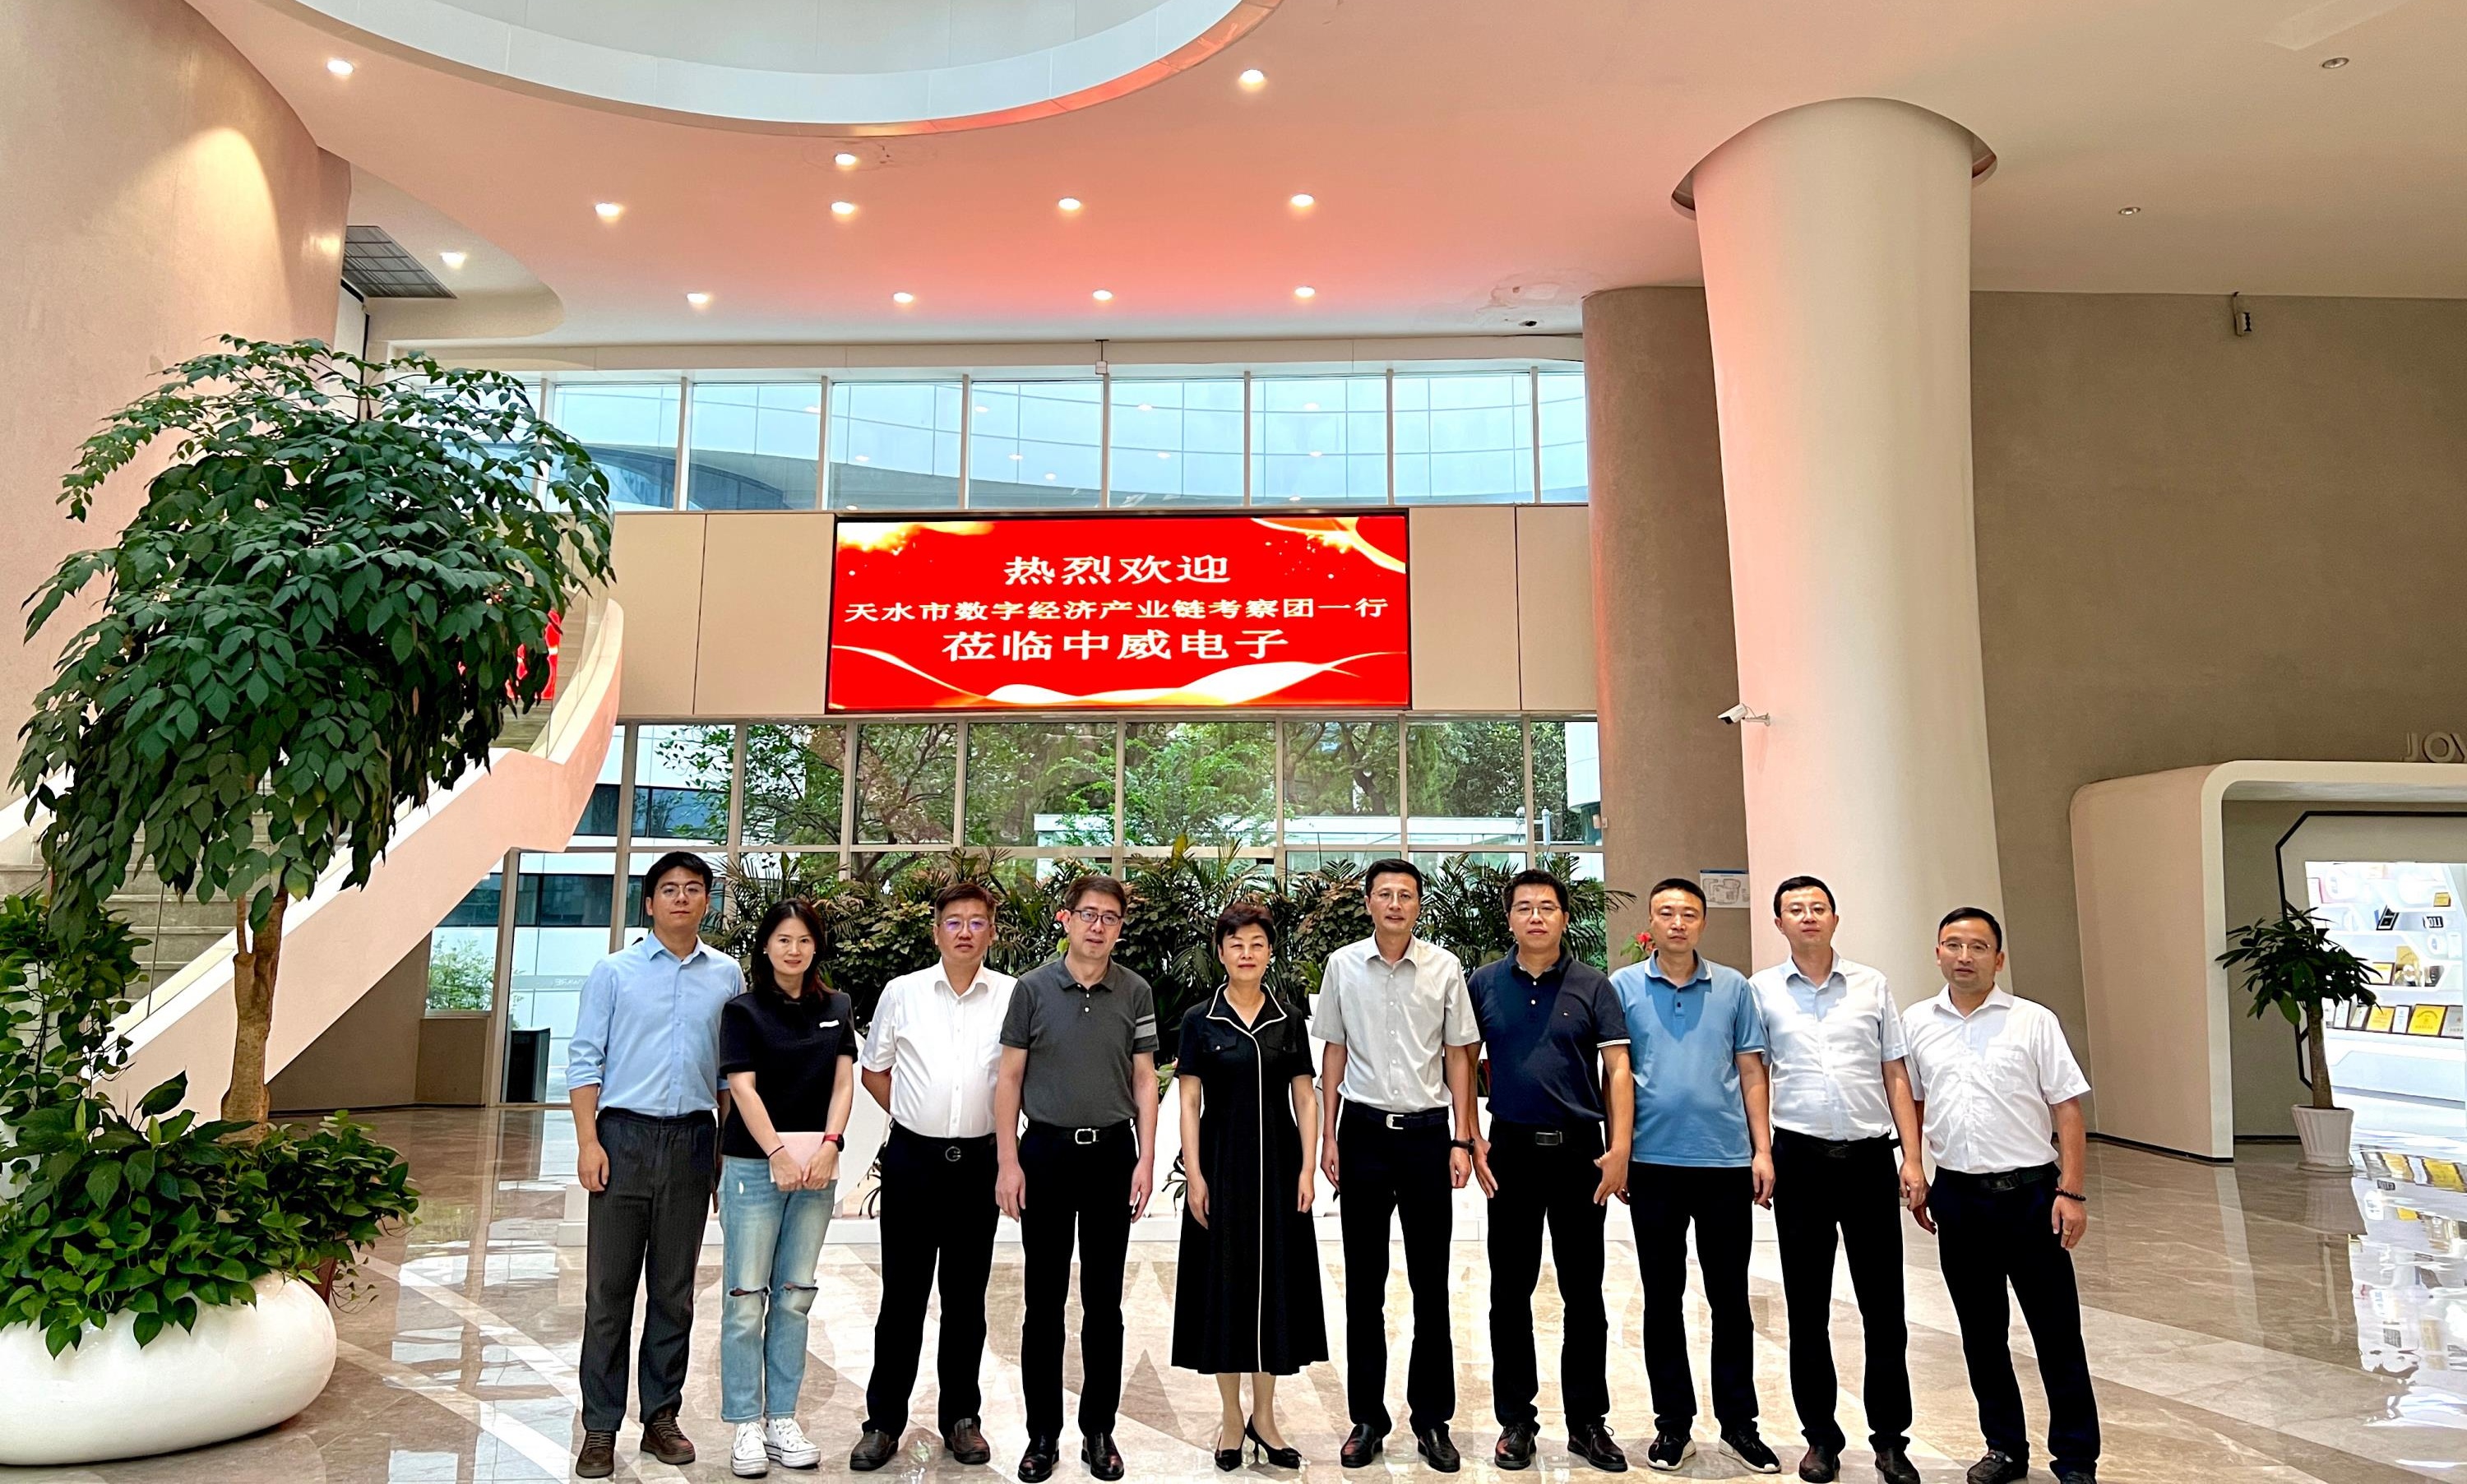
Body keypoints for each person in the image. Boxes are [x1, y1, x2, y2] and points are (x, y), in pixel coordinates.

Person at [1905, 908, 2100, 1484]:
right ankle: (2005, 1448)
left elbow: (2067, 1108)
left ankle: (2076, 1458)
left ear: (1999, 957)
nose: (1964, 956)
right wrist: (1915, 1167)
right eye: (1953, 944)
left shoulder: (2033, 1020)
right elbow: (1912, 1102)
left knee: (2056, 1333)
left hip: (2032, 1196)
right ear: (1937, 953)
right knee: (1981, 1335)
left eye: (1978, 946)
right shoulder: (1917, 1022)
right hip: (1958, 1198)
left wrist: (2072, 1190)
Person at [567, 850, 743, 1478]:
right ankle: (599, 1427)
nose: (681, 897)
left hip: (693, 1138)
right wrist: (589, 1142)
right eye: (669, 888)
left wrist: (721, 1154)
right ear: (649, 902)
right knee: (608, 1294)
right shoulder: (613, 972)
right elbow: (584, 1060)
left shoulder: (727, 975)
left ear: (706, 901)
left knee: (674, 1293)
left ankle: (661, 1416)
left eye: (693, 888)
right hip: (624, 1137)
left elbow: (728, 1074)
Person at [1745, 877, 1925, 1484]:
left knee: (1885, 1307)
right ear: (1779, 923)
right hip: (1800, 1160)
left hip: (1870, 1160)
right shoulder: (1762, 991)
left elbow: (1895, 1072)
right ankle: (1820, 1437)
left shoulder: (1872, 984)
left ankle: (1891, 1439)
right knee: (1807, 1308)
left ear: (1835, 918)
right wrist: (1762, 1150)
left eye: (1817, 907)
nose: (1808, 917)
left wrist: (1912, 1157)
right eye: (1795, 909)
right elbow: (1756, 1074)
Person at [1312, 858, 1480, 1472]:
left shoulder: (1444, 967)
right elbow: (1333, 1051)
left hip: (1427, 1137)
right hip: (1361, 1135)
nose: (1394, 904)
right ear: (1368, 902)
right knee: (1364, 1284)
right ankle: (1367, 1419)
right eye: (1384, 894)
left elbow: (1459, 1056)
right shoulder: (1342, 966)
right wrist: (1328, 1135)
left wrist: (1463, 1138)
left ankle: (1432, 1418)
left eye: (1405, 895)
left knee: (1430, 1284)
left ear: (1418, 904)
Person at [1609, 877, 1781, 1475]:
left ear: (1703, 922)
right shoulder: (1623, 986)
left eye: (1688, 913)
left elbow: (1752, 1070)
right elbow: (1615, 1074)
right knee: (1663, 1299)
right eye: (1666, 912)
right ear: (1650, 923)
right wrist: (1618, 1151)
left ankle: (1739, 1424)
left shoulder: (1733, 987)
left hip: (1724, 1164)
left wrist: (1762, 1149)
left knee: (1730, 1298)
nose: (1677, 922)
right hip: (1652, 1165)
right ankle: (1673, 1424)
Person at [1466, 868, 1635, 1474]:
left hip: (1578, 1153)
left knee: (1583, 1291)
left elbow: (1618, 1069)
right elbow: (1463, 1060)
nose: (1535, 916)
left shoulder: (1594, 985)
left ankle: (1588, 1422)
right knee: (1509, 1292)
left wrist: (1620, 1148)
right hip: (1510, 1150)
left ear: (1565, 916)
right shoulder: (1485, 983)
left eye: (1546, 906)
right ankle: (1516, 1421)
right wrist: (1471, 1135)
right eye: (1524, 907)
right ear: (1509, 918)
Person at [995, 874, 1161, 1483]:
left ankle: (1099, 1431)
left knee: (1104, 1302)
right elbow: (1009, 1078)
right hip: (1045, 1153)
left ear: (1120, 927)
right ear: (1065, 918)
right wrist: (1008, 1161)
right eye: (1088, 914)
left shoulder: (1135, 990)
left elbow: (1145, 1077)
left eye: (1110, 917)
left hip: (1112, 1154)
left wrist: (1147, 1158)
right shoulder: (1032, 989)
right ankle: (1043, 1435)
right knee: (1042, 1302)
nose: (1098, 926)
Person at [850, 881, 1018, 1472]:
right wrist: (913, 1114)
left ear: (991, 931)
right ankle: (882, 1422)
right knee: (902, 1297)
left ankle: (961, 1418)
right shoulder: (903, 992)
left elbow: (1018, 1078)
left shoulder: (1012, 995)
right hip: (913, 1162)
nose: (965, 931)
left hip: (979, 1163)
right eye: (954, 922)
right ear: (936, 931)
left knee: (966, 1299)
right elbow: (874, 1070)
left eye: (977, 921)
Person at [1172, 899, 1326, 1472]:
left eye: (1257, 944)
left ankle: (1265, 1415)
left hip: (1280, 1168)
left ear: (1269, 952)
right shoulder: (1200, 1019)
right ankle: (1231, 1417)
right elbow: (1189, 1101)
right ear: (1221, 952)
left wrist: (1307, 1168)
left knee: (1274, 1286)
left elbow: (1305, 1098)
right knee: (1225, 1285)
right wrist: (1195, 1174)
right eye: (1236, 944)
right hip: (1221, 1165)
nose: (1246, 953)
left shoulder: (1288, 1019)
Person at [715, 898, 855, 1479]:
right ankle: (746, 1422)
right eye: (783, 940)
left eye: (803, 940)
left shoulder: (837, 1007)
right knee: (746, 1297)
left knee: (795, 1295)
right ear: (766, 947)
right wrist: (775, 1153)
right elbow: (742, 1088)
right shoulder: (742, 1011)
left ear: (816, 946)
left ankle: (782, 1419)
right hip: (754, 1168)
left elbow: (843, 1083)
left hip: (816, 1169)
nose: (794, 950)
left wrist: (831, 1144)